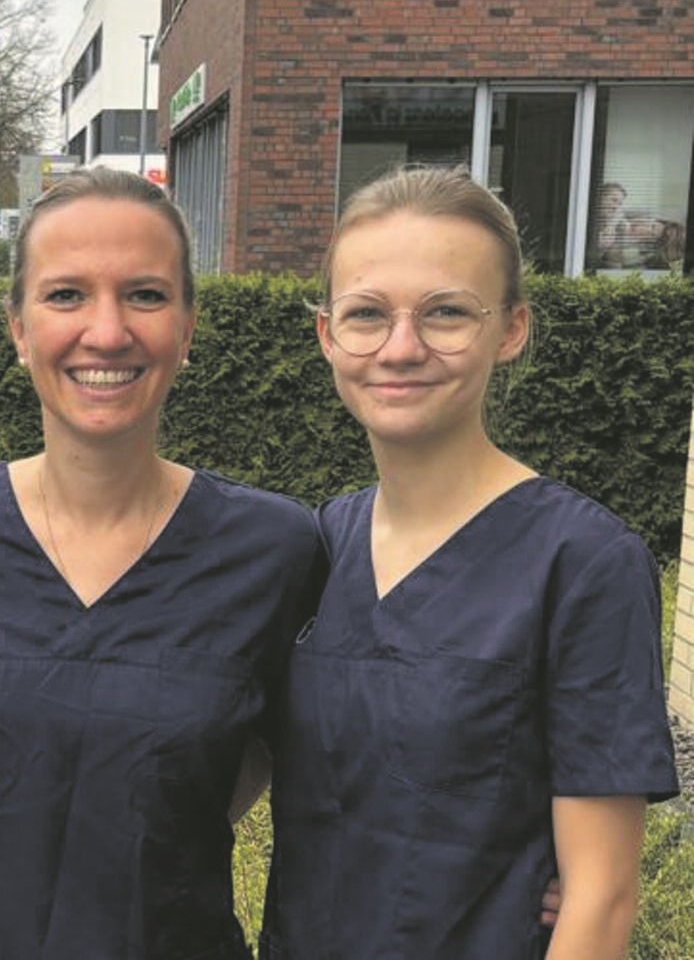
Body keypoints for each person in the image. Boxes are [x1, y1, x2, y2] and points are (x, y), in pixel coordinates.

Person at [0, 167, 324, 959]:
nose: (107, 331)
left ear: (188, 328)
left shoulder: (275, 549)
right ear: (18, 327)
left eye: (146, 295)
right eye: (65, 295)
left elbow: (336, 752)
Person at [260, 166, 680, 959]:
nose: (402, 347)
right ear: (328, 336)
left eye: (447, 312)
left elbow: (600, 900)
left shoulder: (583, 563)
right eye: (366, 314)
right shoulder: (315, 547)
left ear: (511, 328)